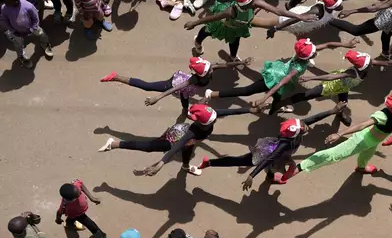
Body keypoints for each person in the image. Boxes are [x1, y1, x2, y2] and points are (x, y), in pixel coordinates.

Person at [272, 91, 392, 183]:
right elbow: (363, 124)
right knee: (332, 155)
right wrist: (339, 133)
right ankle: (298, 167)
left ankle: (361, 167)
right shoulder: (382, 115)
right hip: (363, 138)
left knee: (368, 154)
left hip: (375, 140)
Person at [199, 103, 345, 188]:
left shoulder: (295, 130)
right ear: (295, 133)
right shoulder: (284, 144)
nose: (306, 126)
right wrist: (251, 175)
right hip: (267, 154)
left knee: (276, 167)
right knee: (239, 160)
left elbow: (313, 119)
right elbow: (269, 159)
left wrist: (332, 111)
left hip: (281, 156)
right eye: (303, 127)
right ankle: (209, 163)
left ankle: (270, 179)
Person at [203, 38, 356, 114]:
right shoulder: (299, 66)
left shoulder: (302, 56)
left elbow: (328, 44)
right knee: (247, 91)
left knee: (275, 97)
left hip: (278, 71)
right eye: (313, 52)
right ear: (306, 57)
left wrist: (346, 45)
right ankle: (212, 94)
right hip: (276, 80)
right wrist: (264, 97)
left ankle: (274, 109)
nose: (316, 51)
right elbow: (282, 83)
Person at [114, 103, 265, 176]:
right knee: (150, 147)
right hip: (178, 136)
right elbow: (176, 147)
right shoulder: (193, 131)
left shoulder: (212, 114)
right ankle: (117, 144)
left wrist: (252, 109)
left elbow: (235, 111)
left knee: (187, 153)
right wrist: (160, 164)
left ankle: (185, 166)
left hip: (189, 142)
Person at [275, 50, 392, 123]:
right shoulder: (352, 72)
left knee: (343, 102)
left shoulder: (367, 65)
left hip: (344, 87)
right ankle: (281, 103)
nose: (372, 64)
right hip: (333, 85)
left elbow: (388, 63)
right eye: (369, 64)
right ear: (362, 67)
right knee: (308, 95)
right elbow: (331, 77)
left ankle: (339, 112)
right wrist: (312, 77)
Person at [185, 0, 314, 60]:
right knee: (208, 30)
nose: (255, 1)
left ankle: (233, 58)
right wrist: (195, 22)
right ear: (247, 3)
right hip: (225, 24)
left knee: (234, 41)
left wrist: (299, 16)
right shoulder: (230, 11)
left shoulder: (257, 3)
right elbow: (212, 18)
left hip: (239, 25)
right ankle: (197, 42)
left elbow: (278, 11)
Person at [99, 56, 250, 112]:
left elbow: (225, 65)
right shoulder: (194, 80)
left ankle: (185, 110)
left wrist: (241, 62)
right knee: (147, 86)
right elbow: (176, 88)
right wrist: (157, 98)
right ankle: (116, 77)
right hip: (176, 83)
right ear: (202, 74)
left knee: (185, 101)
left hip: (187, 91)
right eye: (209, 69)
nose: (212, 69)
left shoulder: (210, 68)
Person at [268, 0, 388, 37]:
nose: (341, 6)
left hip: (310, 21)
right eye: (338, 6)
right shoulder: (317, 11)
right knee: (264, 23)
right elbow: (296, 19)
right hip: (296, 21)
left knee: (304, 33)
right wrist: (275, 29)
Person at [0, 0, 52, 69]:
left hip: (31, 28)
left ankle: (45, 43)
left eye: (8, 2)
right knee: (18, 44)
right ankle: (21, 56)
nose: (5, 4)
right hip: (16, 31)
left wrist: (32, 29)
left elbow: (35, 19)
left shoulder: (28, 6)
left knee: (41, 34)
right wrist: (13, 30)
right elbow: (4, 21)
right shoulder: (4, 8)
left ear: (16, 2)